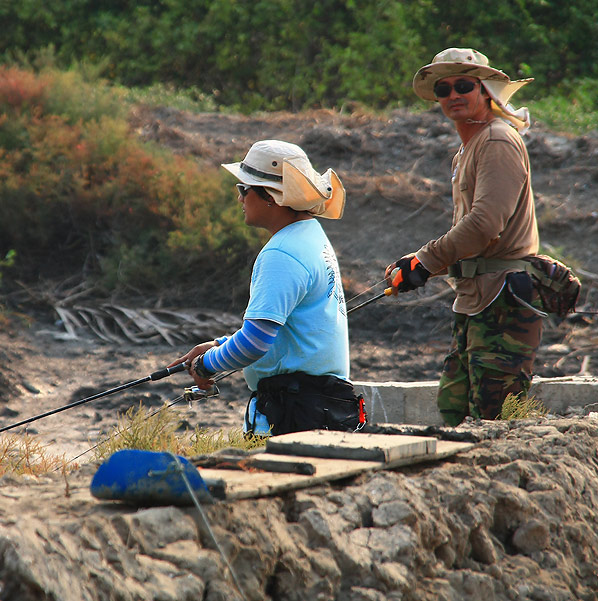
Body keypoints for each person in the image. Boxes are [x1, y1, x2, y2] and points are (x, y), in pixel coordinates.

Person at [385, 48, 544, 426]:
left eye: (463, 85)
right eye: (443, 88)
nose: (453, 94)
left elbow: (485, 225)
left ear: (485, 89)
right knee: (455, 411)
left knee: (495, 420)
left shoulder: (497, 141)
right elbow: (474, 239)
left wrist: (424, 260)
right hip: (475, 300)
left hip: (503, 300)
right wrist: (418, 267)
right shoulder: (469, 148)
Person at [171, 140, 365, 437]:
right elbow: (281, 332)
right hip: (318, 407)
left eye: (244, 190)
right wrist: (220, 345)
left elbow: (255, 343)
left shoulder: (281, 254)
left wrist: (205, 365)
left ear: (272, 197)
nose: (240, 199)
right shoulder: (311, 236)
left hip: (293, 412)